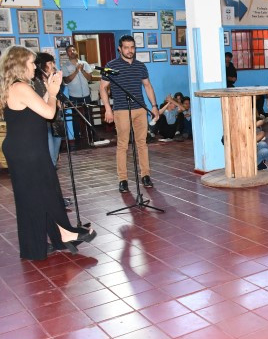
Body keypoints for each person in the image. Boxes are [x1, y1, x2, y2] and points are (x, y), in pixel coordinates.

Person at [1, 46, 96, 260]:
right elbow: (49, 112)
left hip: (26, 148)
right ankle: (62, 234)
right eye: (31, 63)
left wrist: (47, 91)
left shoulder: (18, 87)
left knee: (37, 194)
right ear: (19, 64)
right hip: (27, 151)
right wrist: (52, 93)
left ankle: (53, 237)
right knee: (41, 192)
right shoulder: (19, 87)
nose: (35, 66)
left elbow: (35, 113)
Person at [100, 35, 160, 193]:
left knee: (142, 143)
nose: (129, 50)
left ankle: (145, 175)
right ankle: (123, 179)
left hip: (140, 109)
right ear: (120, 49)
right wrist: (107, 108)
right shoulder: (111, 66)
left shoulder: (140, 66)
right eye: (126, 47)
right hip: (121, 110)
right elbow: (103, 88)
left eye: (132, 47)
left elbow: (147, 86)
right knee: (123, 145)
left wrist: (154, 106)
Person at [32, 53, 65, 166]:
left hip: (56, 120)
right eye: (50, 63)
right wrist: (50, 90)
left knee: (55, 153)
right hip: (44, 122)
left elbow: (57, 97)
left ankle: (53, 170)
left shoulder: (52, 79)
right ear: (42, 65)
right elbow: (39, 101)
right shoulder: (35, 82)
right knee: (49, 153)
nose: (53, 65)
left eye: (53, 62)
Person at [60, 45, 94, 148]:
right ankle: (77, 139)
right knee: (76, 118)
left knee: (88, 116)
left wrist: (82, 70)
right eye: (70, 51)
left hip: (86, 95)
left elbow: (89, 78)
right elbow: (66, 80)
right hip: (74, 96)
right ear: (67, 54)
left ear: (77, 51)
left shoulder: (84, 64)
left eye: (73, 50)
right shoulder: (65, 66)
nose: (72, 52)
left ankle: (91, 137)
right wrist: (76, 71)